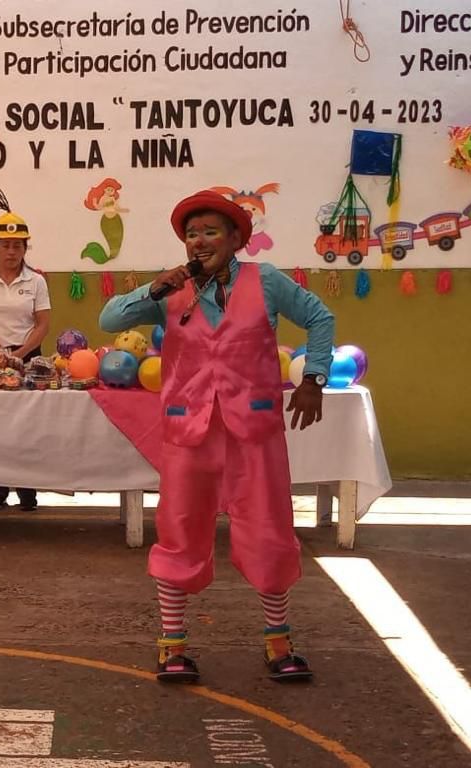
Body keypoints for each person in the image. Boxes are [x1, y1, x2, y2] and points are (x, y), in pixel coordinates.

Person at [99, 189, 334, 683]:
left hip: (255, 428)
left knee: (269, 528)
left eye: (210, 232)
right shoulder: (172, 288)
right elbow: (109, 320)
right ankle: (173, 645)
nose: (199, 241)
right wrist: (153, 290)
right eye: (192, 234)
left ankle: (279, 641)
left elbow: (319, 318)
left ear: (234, 239)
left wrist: (313, 378)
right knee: (180, 528)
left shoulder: (264, 281)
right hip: (189, 428)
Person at [0, 191, 51, 512]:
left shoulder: (36, 281)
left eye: (18, 246)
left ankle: (28, 491)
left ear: (25, 248)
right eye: (5, 245)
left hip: (28, 360)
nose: (11, 251)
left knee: (27, 427)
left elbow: (42, 323)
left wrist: (22, 353)